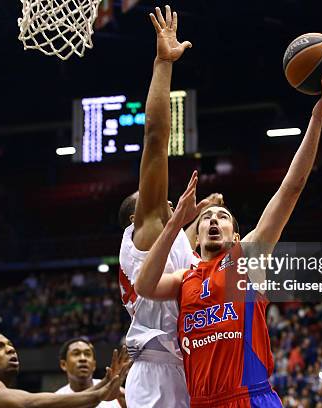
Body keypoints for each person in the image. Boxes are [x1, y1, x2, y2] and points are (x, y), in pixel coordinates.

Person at [135, 70, 322, 407]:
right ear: (197, 235)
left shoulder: (245, 257)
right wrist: (175, 223)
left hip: (249, 398)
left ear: (236, 234)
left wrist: (317, 118)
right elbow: (144, 286)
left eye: (222, 217)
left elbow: (291, 189)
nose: (214, 221)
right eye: (207, 218)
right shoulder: (183, 278)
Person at [116, 5, 222, 408]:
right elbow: (156, 137)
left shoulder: (171, 242)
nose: (156, 196)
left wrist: (203, 217)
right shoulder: (145, 230)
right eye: (146, 197)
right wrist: (163, 63)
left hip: (189, 364)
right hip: (159, 371)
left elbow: (187, 254)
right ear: (134, 217)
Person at [0, 332, 128, 408]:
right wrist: (99, 394)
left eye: (10, 345)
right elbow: (27, 403)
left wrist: (106, 383)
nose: (10, 349)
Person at [56, 338, 127, 408]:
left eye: (87, 354)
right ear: (63, 364)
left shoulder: (117, 393)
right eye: (76, 354)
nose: (83, 358)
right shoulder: (57, 400)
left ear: (94, 365)